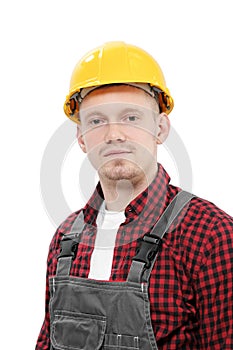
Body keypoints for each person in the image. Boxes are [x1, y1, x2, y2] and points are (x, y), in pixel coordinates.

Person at [36, 41, 233, 349]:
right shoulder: (65, 241)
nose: (114, 133)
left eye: (131, 117)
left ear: (160, 127)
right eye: (97, 120)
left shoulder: (209, 234)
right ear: (81, 137)